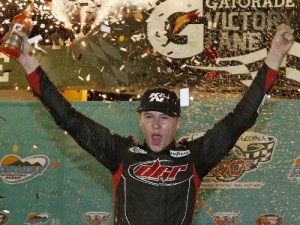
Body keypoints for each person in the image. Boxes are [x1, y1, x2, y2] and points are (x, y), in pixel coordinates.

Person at [14, 24, 294, 225]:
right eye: (149, 117)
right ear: (139, 120)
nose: (156, 126)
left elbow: (242, 117)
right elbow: (68, 117)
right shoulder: (121, 152)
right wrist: (27, 61)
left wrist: (275, 57)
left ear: (178, 122)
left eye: (164, 118)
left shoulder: (194, 157)